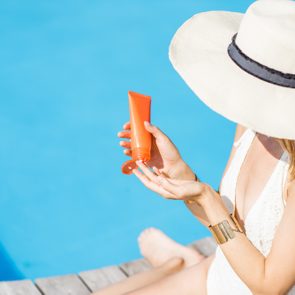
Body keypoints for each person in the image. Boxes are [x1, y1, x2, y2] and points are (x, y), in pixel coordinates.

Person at [93, 0, 295, 294]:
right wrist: (180, 173)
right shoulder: (252, 124)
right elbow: (230, 225)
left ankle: (179, 262)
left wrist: (206, 198)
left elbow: (269, 286)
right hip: (220, 275)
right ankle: (181, 262)